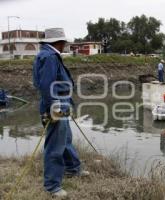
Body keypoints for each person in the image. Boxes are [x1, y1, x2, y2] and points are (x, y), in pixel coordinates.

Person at [33, 28, 89, 198]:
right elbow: (46, 85)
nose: (65, 45)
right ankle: (52, 186)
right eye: (64, 42)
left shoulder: (48, 54)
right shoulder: (49, 57)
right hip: (56, 103)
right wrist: (55, 107)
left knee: (65, 139)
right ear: (59, 42)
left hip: (61, 102)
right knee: (55, 146)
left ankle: (72, 168)